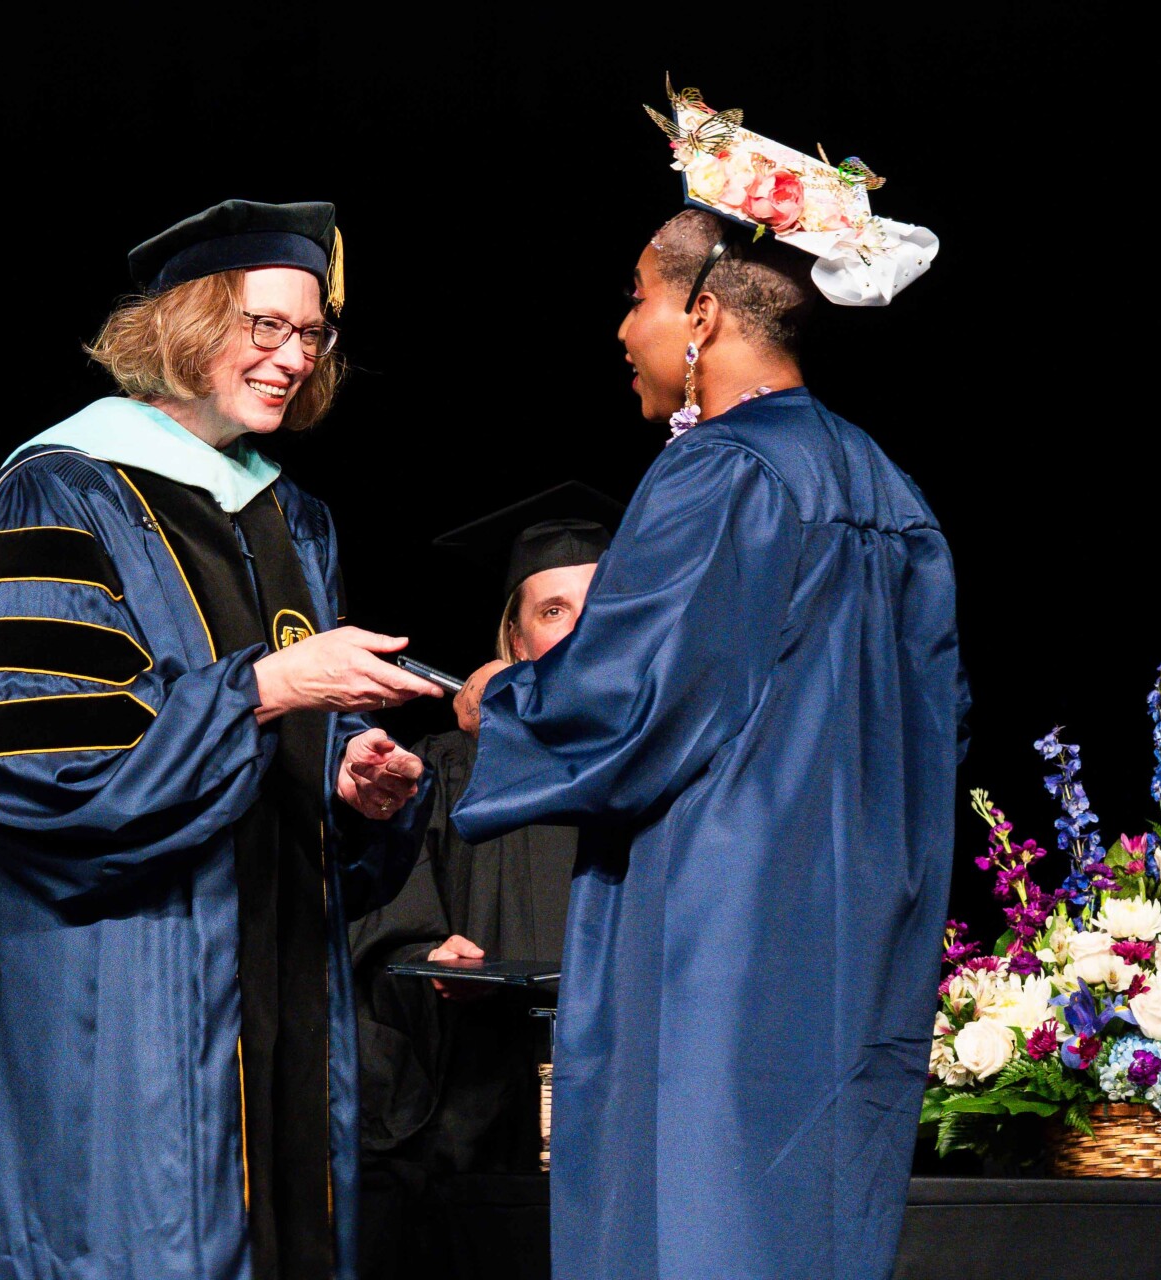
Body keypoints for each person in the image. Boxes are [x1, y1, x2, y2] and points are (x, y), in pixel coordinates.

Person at [451, 95, 966, 1280]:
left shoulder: (718, 470)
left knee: (692, 1214)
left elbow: (635, 698)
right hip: (858, 914)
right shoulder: (884, 483)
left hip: (719, 923)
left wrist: (498, 704)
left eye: (638, 297)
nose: (623, 326)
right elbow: (937, 716)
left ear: (705, 311)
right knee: (812, 1216)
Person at [0, 199, 445, 1280]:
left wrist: (347, 780)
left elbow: (276, 745)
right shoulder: (56, 492)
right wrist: (264, 690)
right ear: (188, 324)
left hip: (278, 992)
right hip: (120, 999)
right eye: (265, 326)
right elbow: (27, 767)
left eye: (311, 333)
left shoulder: (295, 520)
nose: (293, 357)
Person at [351, 485, 620, 1280]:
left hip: (629, 1099)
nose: (581, 628)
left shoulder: (668, 770)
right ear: (512, 635)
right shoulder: (442, 766)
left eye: (602, 604)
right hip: (471, 1110)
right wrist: (432, 947)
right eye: (553, 610)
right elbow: (374, 907)